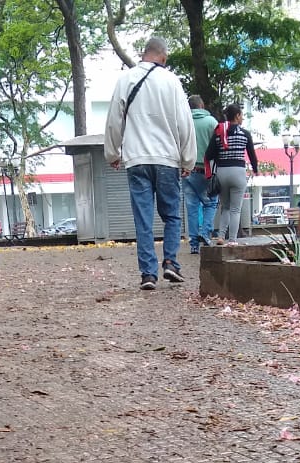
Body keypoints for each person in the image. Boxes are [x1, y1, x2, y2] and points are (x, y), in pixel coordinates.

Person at [104, 36, 196, 290]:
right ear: (163, 57)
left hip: (137, 159)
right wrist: (188, 159)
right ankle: (170, 262)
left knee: (143, 219)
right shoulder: (171, 81)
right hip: (167, 158)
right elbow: (185, 123)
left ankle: (148, 274)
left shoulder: (126, 80)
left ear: (144, 53)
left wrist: (113, 153)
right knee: (172, 216)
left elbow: (114, 119)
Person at [203, 103, 259, 244]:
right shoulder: (245, 134)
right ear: (237, 116)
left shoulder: (219, 133)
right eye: (241, 115)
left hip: (222, 172)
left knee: (225, 207)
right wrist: (256, 170)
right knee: (236, 209)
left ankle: (221, 236)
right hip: (238, 172)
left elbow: (209, 154)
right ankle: (232, 240)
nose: (242, 118)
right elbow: (252, 156)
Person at [184, 95, 220, 254]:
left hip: (187, 170)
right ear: (202, 105)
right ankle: (205, 233)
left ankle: (193, 244)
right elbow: (220, 145)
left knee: (192, 208)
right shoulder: (212, 122)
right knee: (211, 202)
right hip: (207, 170)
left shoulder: (184, 122)